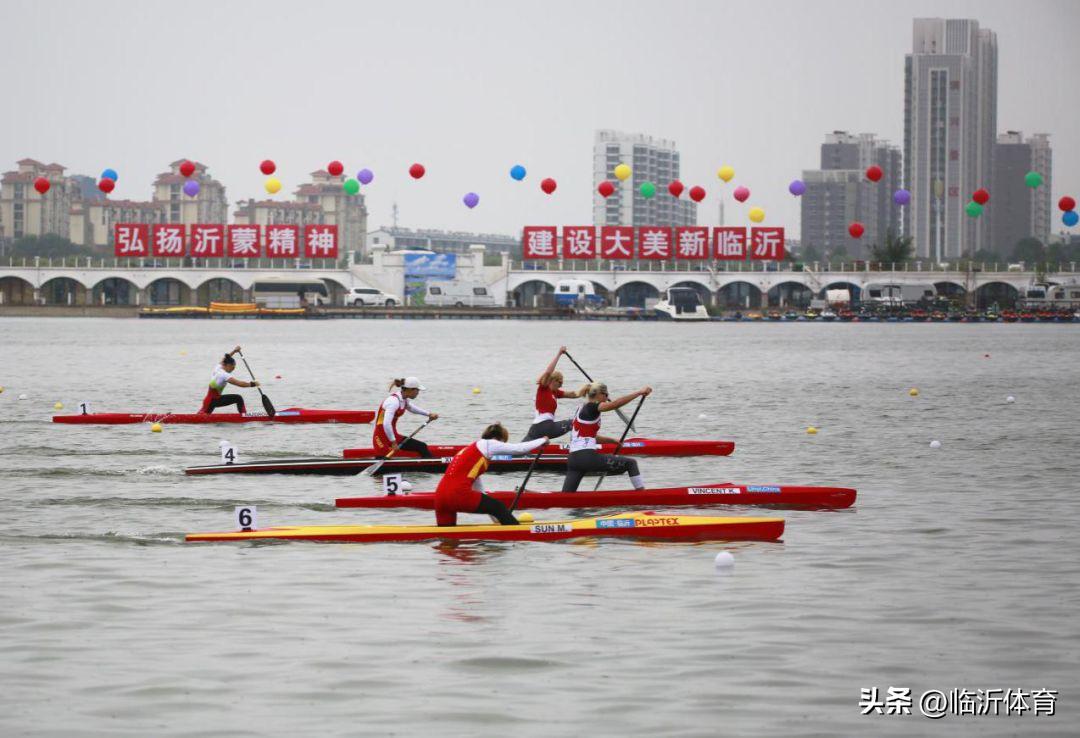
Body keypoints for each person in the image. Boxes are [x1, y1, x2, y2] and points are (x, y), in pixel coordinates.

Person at [434, 422, 547, 526]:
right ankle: (519, 536)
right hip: (458, 495)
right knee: (499, 506)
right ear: (499, 439)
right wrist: (542, 440)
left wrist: (497, 519)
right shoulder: (490, 444)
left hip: (440, 497)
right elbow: (519, 449)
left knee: (446, 537)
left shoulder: (470, 450)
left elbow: (479, 491)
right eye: (503, 443)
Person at [562, 383, 651, 492]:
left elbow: (590, 436)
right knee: (631, 463)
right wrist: (639, 393)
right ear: (599, 394)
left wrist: (612, 441)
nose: (607, 398)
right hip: (587, 458)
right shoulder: (593, 407)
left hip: (573, 460)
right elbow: (614, 404)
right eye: (606, 395)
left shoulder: (581, 409)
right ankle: (643, 494)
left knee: (566, 496)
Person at [521, 346, 587, 441]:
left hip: (536, 429)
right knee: (573, 423)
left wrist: (587, 388)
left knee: (520, 448)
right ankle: (582, 444)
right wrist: (559, 354)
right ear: (553, 380)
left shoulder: (555, 393)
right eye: (560, 382)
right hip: (545, 426)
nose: (561, 385)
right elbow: (548, 372)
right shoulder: (543, 388)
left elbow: (573, 394)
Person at [374, 377, 439, 458]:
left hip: (393, 436)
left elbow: (411, 408)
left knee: (422, 446)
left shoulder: (403, 399)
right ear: (410, 390)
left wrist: (429, 414)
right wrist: (393, 442)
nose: (418, 393)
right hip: (381, 438)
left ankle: (427, 463)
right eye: (417, 390)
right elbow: (386, 424)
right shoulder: (393, 402)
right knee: (383, 459)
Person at [199, 346, 259, 414]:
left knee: (202, 418)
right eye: (233, 367)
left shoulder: (218, 368)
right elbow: (239, 383)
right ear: (228, 365)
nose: (233, 369)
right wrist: (252, 384)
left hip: (212, 400)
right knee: (238, 398)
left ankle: (244, 416)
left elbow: (225, 359)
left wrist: (234, 351)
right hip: (212, 401)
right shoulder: (224, 375)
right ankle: (244, 416)